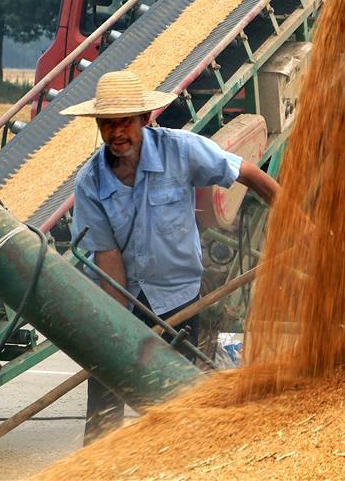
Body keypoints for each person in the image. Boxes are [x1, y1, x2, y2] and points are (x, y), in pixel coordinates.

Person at [62, 70, 280, 444]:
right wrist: (119, 332)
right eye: (108, 124)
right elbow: (108, 260)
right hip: (121, 302)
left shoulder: (179, 150)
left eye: (125, 122)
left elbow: (244, 172)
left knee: (176, 404)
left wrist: (293, 214)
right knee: (105, 399)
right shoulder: (91, 183)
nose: (117, 133)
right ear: (98, 126)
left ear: (145, 119)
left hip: (179, 298)